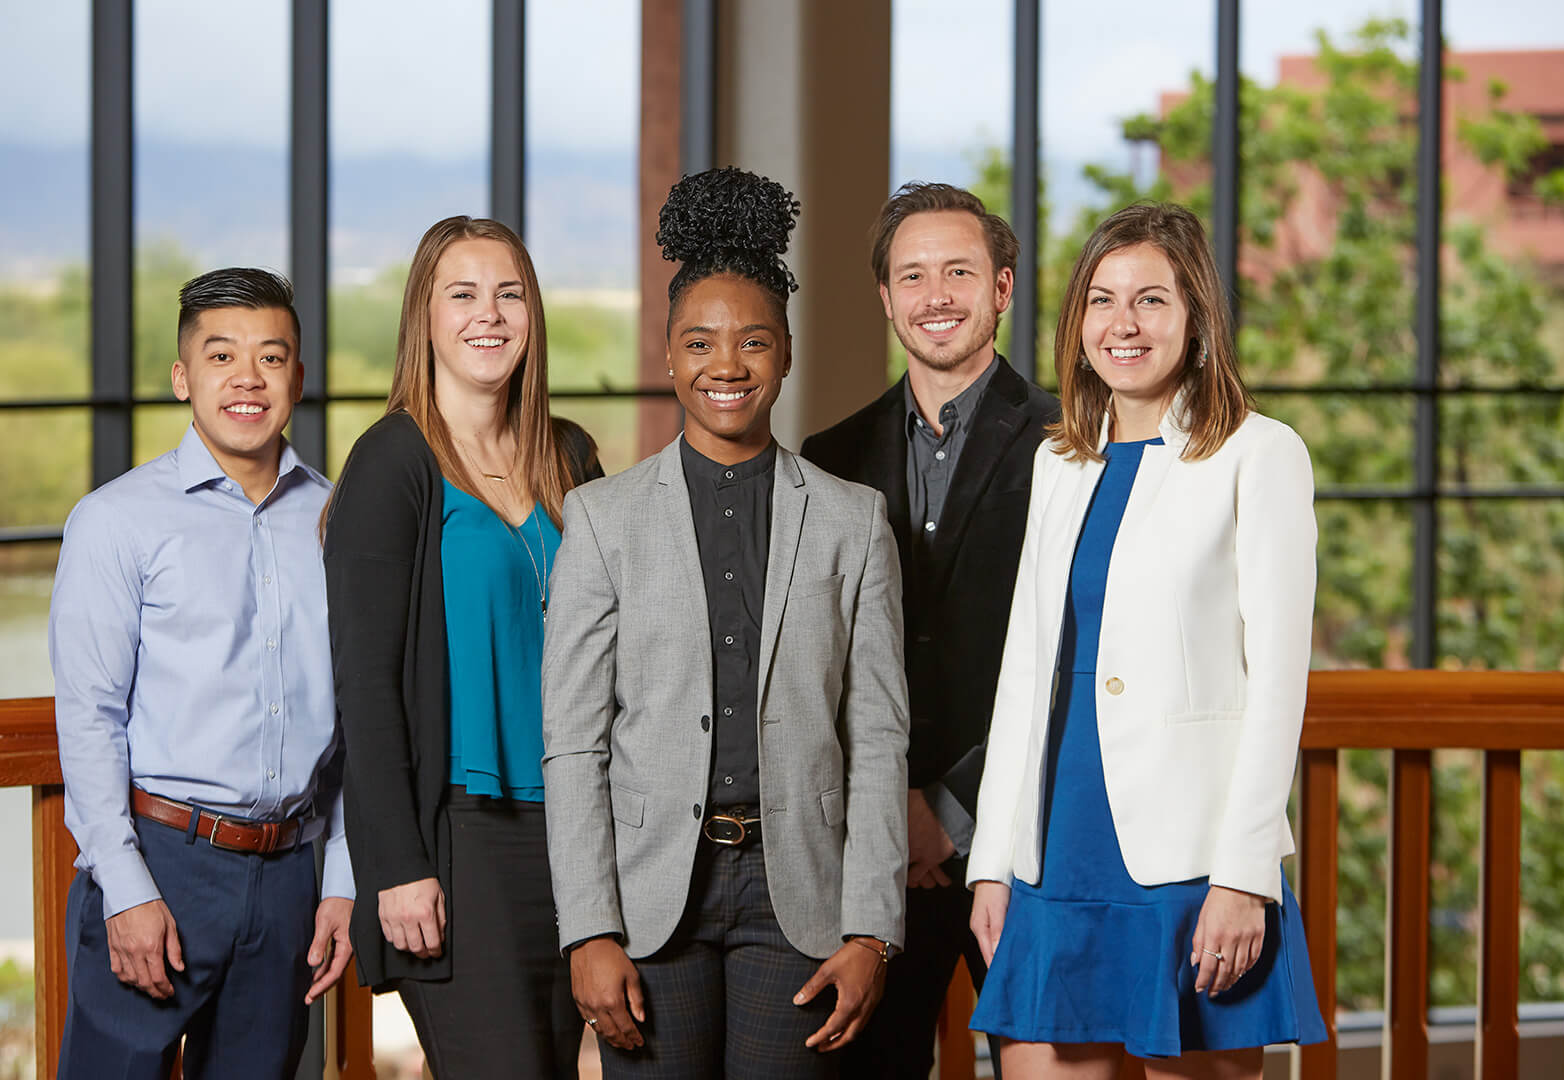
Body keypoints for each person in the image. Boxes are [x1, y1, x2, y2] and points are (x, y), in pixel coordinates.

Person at [541, 166, 910, 1079]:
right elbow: (574, 741)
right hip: (649, 890)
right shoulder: (602, 519)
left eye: (753, 341)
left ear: (784, 355)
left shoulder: (853, 520)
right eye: (699, 342)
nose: (727, 365)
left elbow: (877, 733)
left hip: (800, 896)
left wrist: (873, 929)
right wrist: (587, 927)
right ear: (668, 356)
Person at [965, 202, 1327, 1079]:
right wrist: (992, 861)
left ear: (1197, 318)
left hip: (1191, 859)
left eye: (1152, 300)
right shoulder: (1061, 462)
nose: (1123, 323)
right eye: (1101, 299)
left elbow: (1279, 683)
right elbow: (1025, 671)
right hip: (1055, 847)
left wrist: (1245, 874)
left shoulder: (1258, 453)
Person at [49, 268, 354, 1079]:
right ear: (184, 378)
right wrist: (124, 886)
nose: (247, 379)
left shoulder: (335, 523)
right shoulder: (117, 521)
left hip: (292, 875)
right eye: (222, 356)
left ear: (298, 377)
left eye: (271, 356)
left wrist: (344, 883)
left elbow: (362, 721)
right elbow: (89, 717)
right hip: (162, 861)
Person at [321, 216, 601, 1078]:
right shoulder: (393, 461)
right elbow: (364, 688)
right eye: (464, 294)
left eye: (510, 293)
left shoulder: (569, 455)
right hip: (461, 841)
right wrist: (396, 867)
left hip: (576, 833)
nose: (490, 314)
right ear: (426, 318)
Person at [801, 181, 1057, 1077]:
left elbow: (1080, 653)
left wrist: (946, 813)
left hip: (1026, 843)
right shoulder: (829, 459)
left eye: (959, 270)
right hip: (868, 857)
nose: (935, 294)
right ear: (885, 299)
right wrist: (888, 812)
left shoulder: (1073, 445)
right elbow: (813, 665)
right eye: (913, 275)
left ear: (1003, 288)